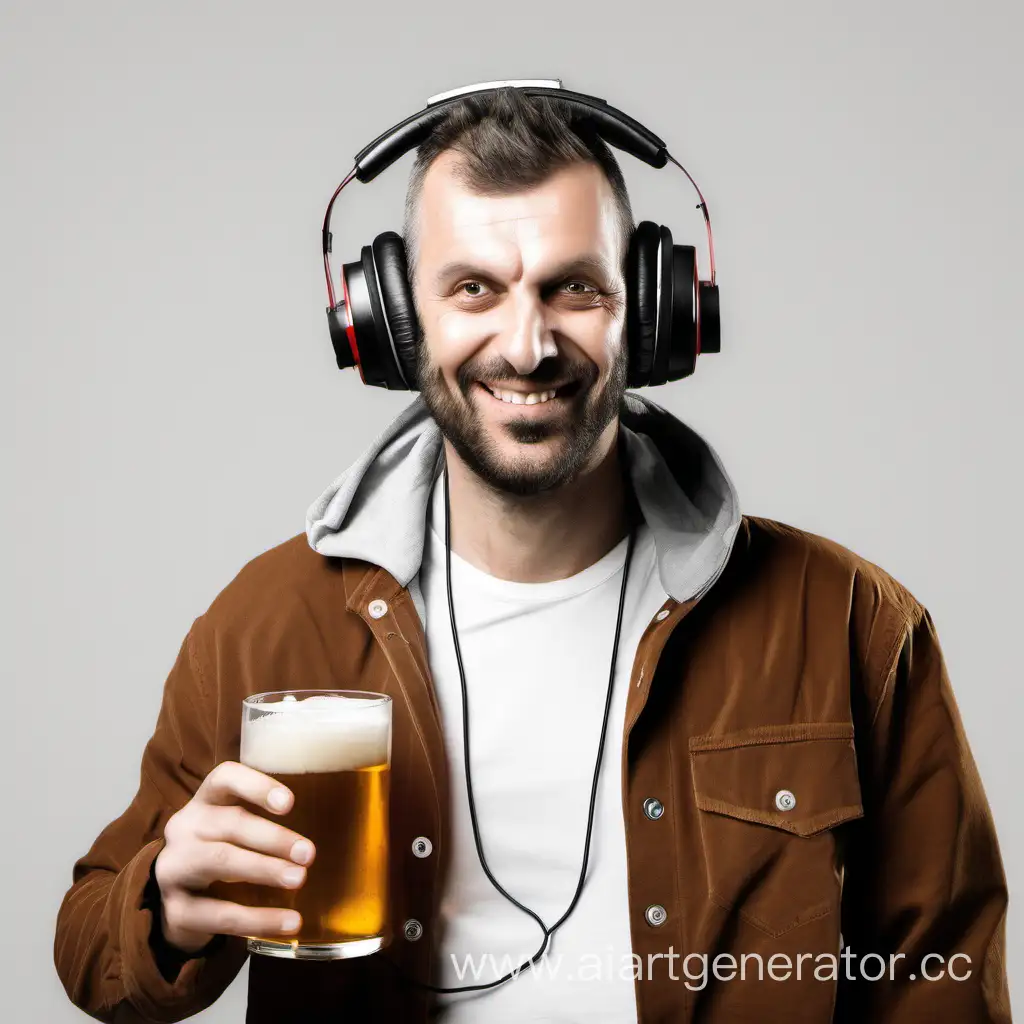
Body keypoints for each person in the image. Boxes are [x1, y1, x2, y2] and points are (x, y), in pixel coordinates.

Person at [54, 86, 1011, 1024]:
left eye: (574, 287)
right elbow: (91, 948)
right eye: (474, 288)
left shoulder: (851, 622)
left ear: (654, 311)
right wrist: (169, 914)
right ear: (391, 323)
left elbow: (946, 980)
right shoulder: (266, 620)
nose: (527, 344)